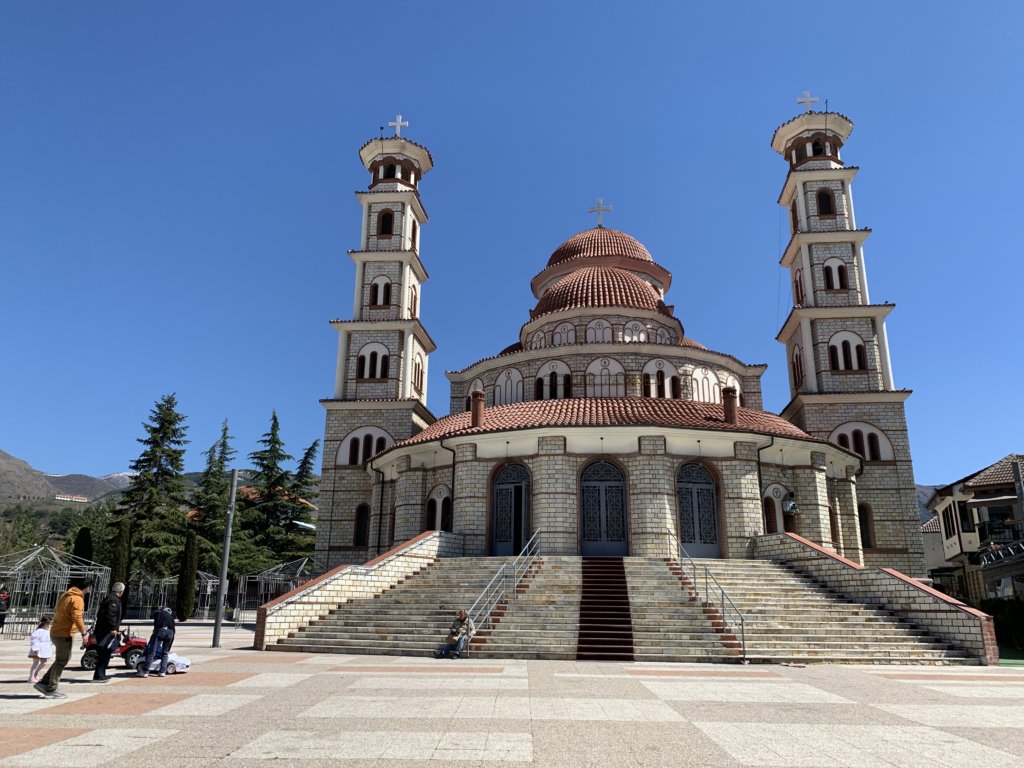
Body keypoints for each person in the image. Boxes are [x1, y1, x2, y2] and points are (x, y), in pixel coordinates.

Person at [34, 579, 92, 698]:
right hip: (64, 633)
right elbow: (77, 617)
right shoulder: (77, 599)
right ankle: (51, 688)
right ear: (88, 587)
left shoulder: (66, 595)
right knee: (62, 660)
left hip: (56, 631)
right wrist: (84, 632)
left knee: (62, 659)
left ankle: (45, 682)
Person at [91, 582, 125, 682]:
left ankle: (100, 674)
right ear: (121, 591)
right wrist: (113, 628)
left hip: (103, 630)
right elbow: (111, 615)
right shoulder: (113, 600)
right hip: (106, 632)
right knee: (104, 653)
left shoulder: (109, 598)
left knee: (104, 653)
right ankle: (100, 675)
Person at [137, 605, 175, 678]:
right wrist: (169, 648)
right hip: (170, 633)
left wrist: (153, 635)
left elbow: (155, 625)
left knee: (152, 652)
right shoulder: (171, 618)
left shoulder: (159, 613)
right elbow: (173, 632)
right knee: (165, 653)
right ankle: (162, 672)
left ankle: (145, 672)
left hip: (161, 631)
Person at [28, 616, 53, 683]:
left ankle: (36, 673)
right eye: (48, 623)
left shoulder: (47, 631)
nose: (49, 625)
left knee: (43, 663)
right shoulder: (38, 631)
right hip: (38, 649)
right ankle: (31, 677)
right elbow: (34, 640)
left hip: (44, 649)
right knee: (36, 663)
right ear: (45, 623)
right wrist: (35, 649)